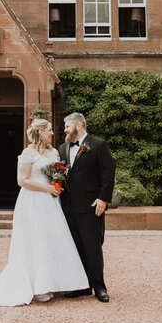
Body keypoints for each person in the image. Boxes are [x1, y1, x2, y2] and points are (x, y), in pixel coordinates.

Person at [0, 118, 89, 306]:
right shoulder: (28, 152)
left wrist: (55, 185)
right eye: (49, 130)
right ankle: (36, 286)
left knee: (52, 239)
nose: (52, 133)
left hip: (51, 203)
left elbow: (57, 174)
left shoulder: (54, 151)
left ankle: (51, 282)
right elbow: (21, 180)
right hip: (33, 201)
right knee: (35, 240)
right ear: (40, 132)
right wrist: (47, 189)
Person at [58, 112, 116, 303]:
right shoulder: (62, 149)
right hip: (68, 207)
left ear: (78, 126)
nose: (65, 130)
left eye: (67, 126)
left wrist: (103, 199)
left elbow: (108, 174)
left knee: (92, 246)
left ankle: (99, 286)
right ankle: (81, 285)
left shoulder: (99, 145)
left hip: (91, 206)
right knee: (74, 247)